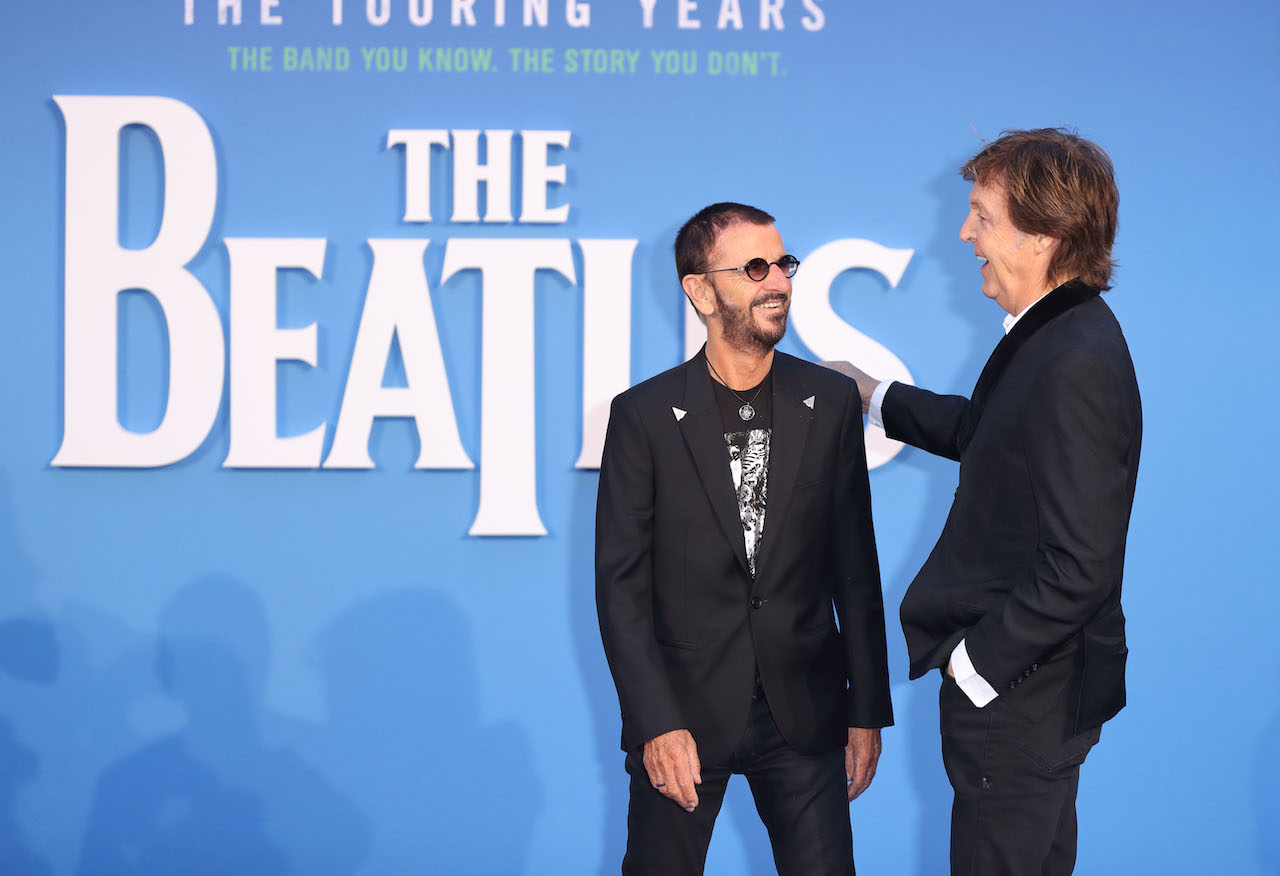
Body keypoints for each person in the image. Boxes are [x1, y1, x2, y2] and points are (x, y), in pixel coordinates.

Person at [828, 128, 1142, 875]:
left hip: (1020, 698)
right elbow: (986, 433)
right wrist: (874, 395)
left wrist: (977, 670)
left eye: (983, 217)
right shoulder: (1055, 333)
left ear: (1045, 237)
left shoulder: (1073, 361)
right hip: (1033, 694)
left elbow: (1080, 566)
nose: (965, 233)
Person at [595, 203, 893, 875]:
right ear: (700, 290)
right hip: (683, 715)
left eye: (783, 264)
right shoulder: (643, 416)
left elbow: (855, 566)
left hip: (806, 714)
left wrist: (866, 708)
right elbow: (621, 590)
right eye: (754, 267)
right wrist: (653, 721)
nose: (779, 282)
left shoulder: (830, 401)